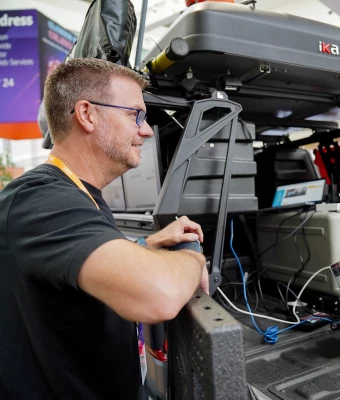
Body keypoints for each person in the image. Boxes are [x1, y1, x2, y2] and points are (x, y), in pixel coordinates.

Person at [0, 58, 209, 399]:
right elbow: (159, 294)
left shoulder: (78, 194)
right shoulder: (40, 198)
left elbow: (69, 279)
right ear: (87, 114)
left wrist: (146, 245)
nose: (146, 129)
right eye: (134, 115)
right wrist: (194, 259)